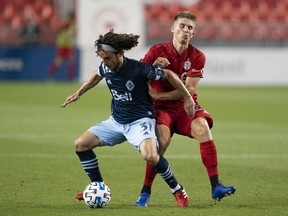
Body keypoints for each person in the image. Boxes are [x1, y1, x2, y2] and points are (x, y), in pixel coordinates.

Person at [61, 29, 196, 207]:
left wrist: (186, 96)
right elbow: (96, 75)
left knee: (151, 156)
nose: (105, 62)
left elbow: (170, 75)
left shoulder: (139, 69)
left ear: (120, 54)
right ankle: (98, 187)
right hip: (116, 122)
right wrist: (79, 92)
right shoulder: (106, 67)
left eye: (108, 58)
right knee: (80, 144)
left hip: (140, 121)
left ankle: (177, 189)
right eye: (102, 58)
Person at [135, 11, 236, 207]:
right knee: (160, 144)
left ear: (193, 33)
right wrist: (153, 66)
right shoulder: (157, 51)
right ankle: (145, 191)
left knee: (203, 129)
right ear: (173, 28)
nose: (185, 30)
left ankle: (216, 186)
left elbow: (188, 91)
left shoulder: (197, 56)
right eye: (182, 26)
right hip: (160, 109)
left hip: (185, 107)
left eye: (190, 28)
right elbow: (138, 74)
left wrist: (157, 94)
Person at [48, 12, 76, 80]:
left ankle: (71, 78)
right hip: (63, 45)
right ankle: (50, 74)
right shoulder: (66, 24)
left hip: (68, 46)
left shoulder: (72, 26)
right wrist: (67, 35)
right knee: (59, 61)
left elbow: (72, 35)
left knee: (71, 60)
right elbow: (62, 33)